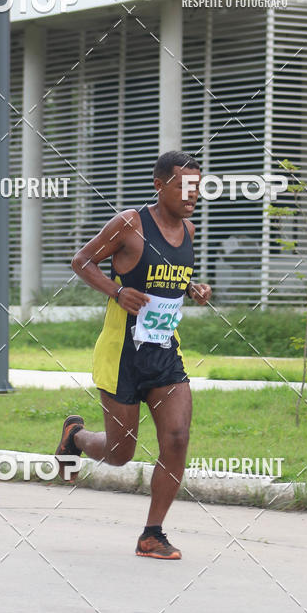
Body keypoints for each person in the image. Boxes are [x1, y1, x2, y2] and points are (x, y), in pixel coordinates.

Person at [56, 151, 211, 559]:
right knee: (120, 453)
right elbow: (82, 260)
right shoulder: (129, 224)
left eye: (198, 186)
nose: (193, 195)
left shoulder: (189, 231)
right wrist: (117, 291)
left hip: (164, 355)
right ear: (159, 186)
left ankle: (152, 535)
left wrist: (193, 289)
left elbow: (170, 277)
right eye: (184, 186)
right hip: (121, 355)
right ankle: (75, 437)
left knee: (176, 439)